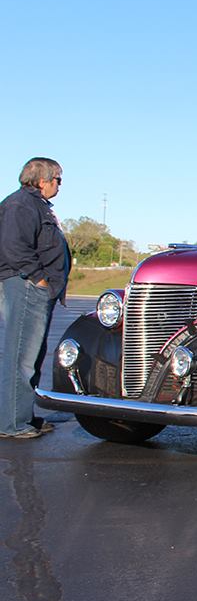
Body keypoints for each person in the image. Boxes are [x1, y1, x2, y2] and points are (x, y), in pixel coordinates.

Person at [0, 158, 70, 439]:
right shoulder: (21, 204)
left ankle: (22, 417)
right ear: (42, 179)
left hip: (36, 287)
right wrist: (37, 278)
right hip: (26, 286)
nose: (59, 185)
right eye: (58, 179)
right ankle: (13, 424)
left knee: (31, 354)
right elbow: (13, 246)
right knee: (22, 355)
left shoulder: (36, 205)